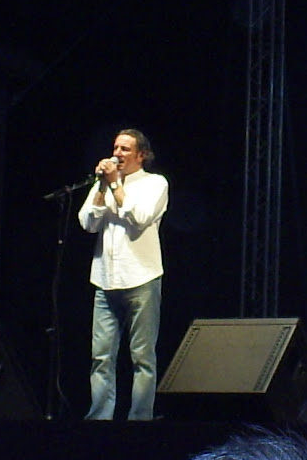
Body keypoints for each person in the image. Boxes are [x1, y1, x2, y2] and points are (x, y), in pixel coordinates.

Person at [78, 128, 168, 420]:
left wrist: (116, 185)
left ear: (142, 155)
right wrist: (102, 188)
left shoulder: (155, 183)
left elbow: (140, 218)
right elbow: (88, 223)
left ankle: (139, 421)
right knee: (101, 357)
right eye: (116, 147)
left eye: (125, 149)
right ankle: (100, 419)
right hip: (105, 278)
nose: (117, 153)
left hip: (141, 278)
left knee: (142, 357)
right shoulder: (104, 183)